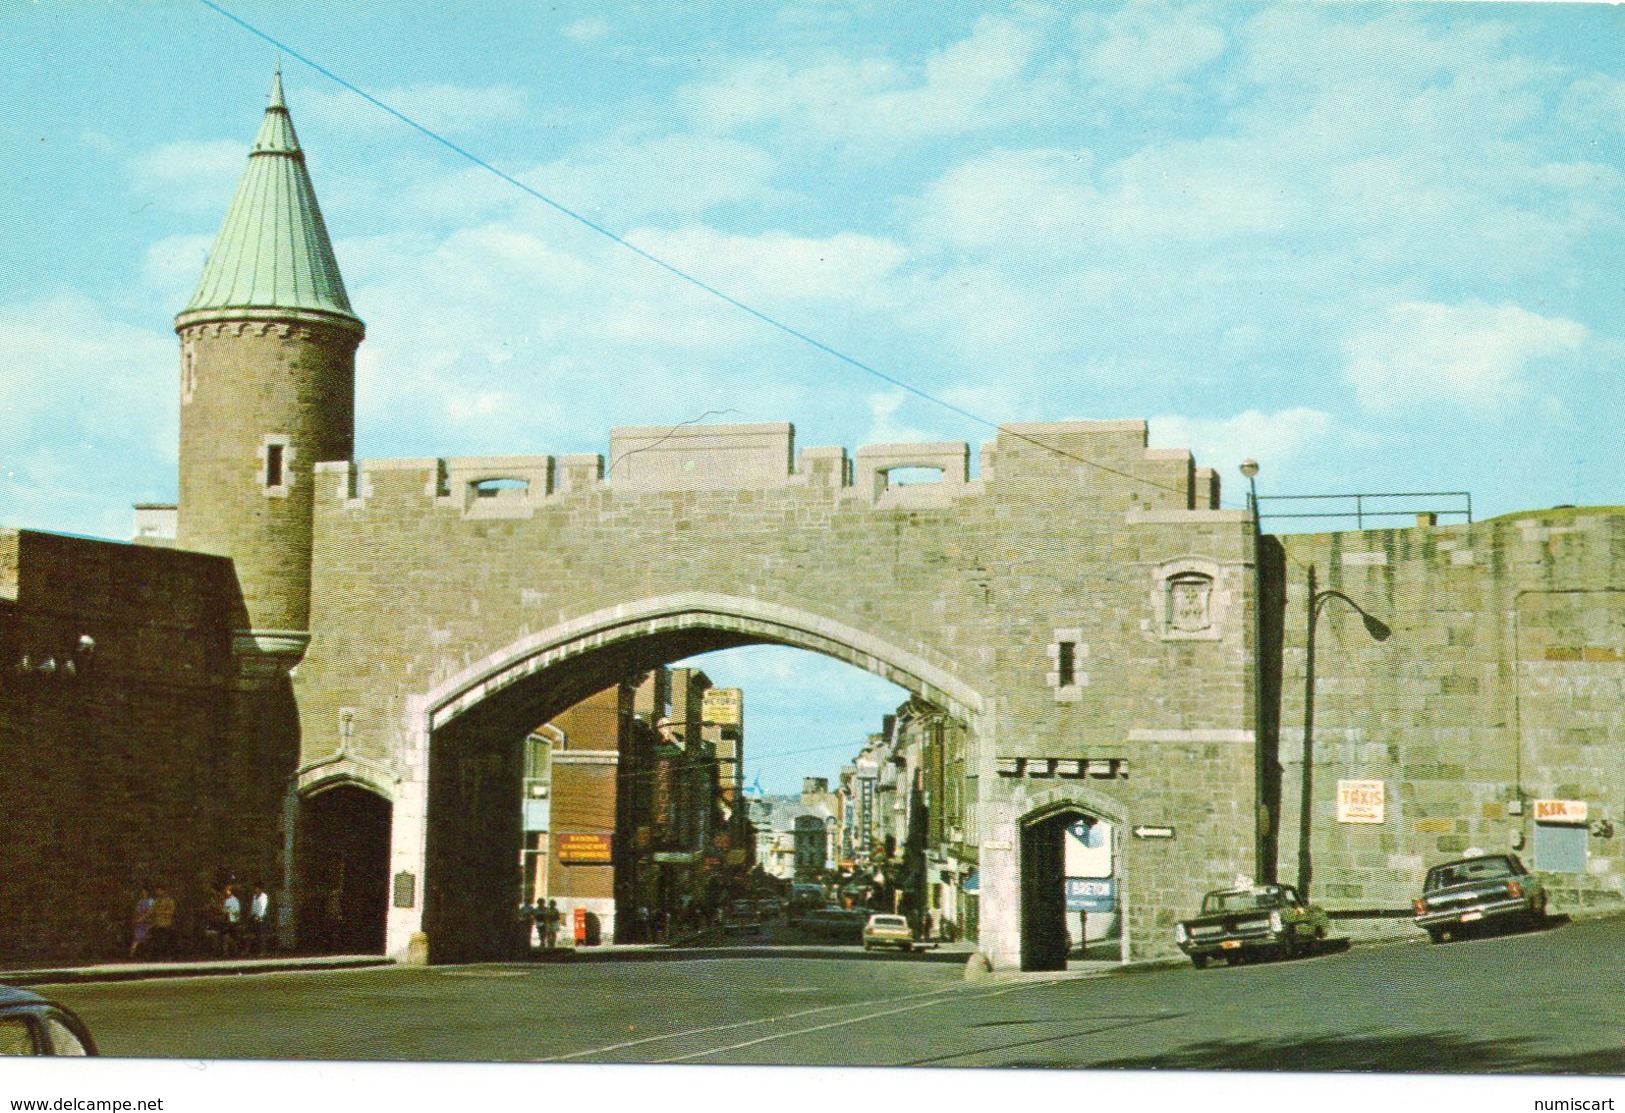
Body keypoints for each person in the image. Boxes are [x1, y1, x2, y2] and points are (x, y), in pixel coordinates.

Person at [150, 886, 177, 959]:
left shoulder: (169, 901)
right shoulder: (156, 901)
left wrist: (162, 913)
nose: (157, 892)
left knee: (166, 942)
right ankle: (158, 957)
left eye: (159, 890)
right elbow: (152, 911)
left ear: (163, 891)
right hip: (157, 924)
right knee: (157, 942)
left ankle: (168, 956)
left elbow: (171, 911)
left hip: (166, 924)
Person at [129, 887, 154, 960]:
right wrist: (136, 920)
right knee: (136, 938)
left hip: (146, 923)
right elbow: (137, 912)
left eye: (144, 891)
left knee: (146, 939)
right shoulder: (140, 901)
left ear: (147, 892)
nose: (143, 893)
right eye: (142, 892)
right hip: (139, 923)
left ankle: (146, 955)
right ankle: (131, 954)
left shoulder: (150, 901)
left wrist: (142, 919)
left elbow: (150, 912)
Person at [220, 884, 242, 957]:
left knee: (230, 937)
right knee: (226, 937)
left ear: (230, 891)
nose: (225, 892)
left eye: (227, 890)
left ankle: (234, 951)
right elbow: (223, 911)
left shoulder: (234, 900)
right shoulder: (225, 900)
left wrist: (231, 914)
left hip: (232, 921)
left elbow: (237, 912)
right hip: (227, 921)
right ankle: (226, 952)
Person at [249, 882, 271, 955]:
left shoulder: (264, 896)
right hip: (255, 917)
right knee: (255, 934)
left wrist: (259, 916)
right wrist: (252, 915)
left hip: (262, 917)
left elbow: (262, 907)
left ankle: (263, 951)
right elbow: (253, 907)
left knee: (261, 934)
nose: (256, 889)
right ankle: (255, 950)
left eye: (257, 888)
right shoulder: (255, 896)